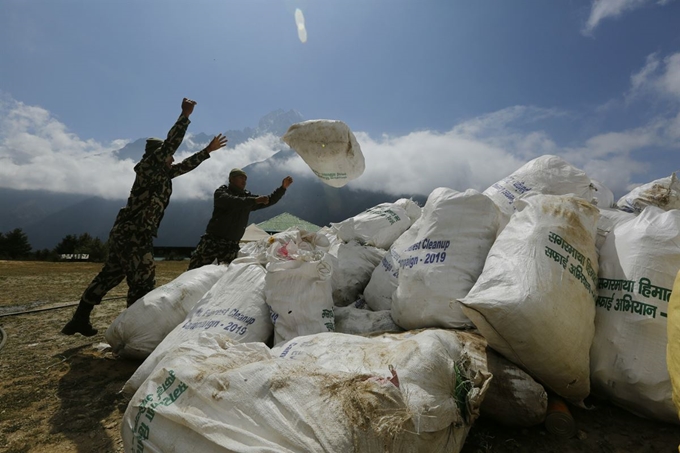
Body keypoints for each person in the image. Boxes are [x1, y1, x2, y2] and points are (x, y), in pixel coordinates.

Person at [61, 97, 228, 337]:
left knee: (109, 275)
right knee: (143, 282)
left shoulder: (161, 175)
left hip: (126, 233)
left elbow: (185, 165)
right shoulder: (150, 167)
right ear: (158, 156)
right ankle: (136, 331)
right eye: (167, 156)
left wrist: (207, 151)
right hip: (135, 234)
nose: (172, 159)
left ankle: (79, 319)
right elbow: (170, 145)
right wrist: (185, 116)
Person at [187, 169, 293, 270]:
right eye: (241, 178)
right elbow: (233, 202)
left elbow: (268, 200)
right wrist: (254, 201)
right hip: (213, 243)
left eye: (245, 179)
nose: (244, 181)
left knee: (225, 277)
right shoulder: (221, 193)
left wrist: (282, 188)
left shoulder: (248, 198)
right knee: (195, 271)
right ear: (231, 179)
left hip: (231, 246)